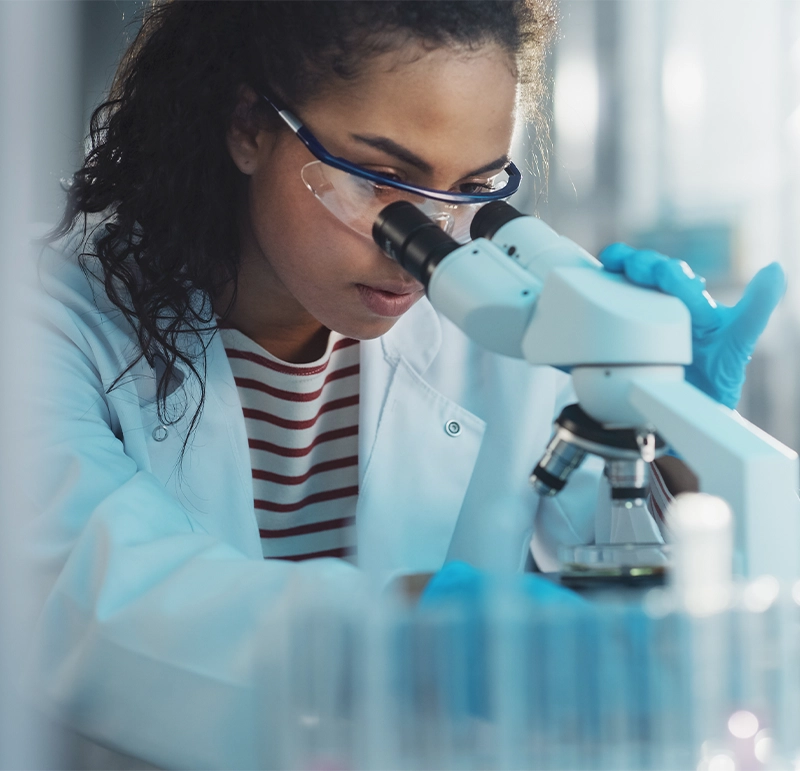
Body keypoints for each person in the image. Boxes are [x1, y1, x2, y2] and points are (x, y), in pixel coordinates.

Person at [20, 1, 785, 767]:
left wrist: (678, 430)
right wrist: (425, 642)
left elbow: (675, 612)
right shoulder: (44, 320)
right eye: (384, 179)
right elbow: (86, 601)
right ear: (250, 126)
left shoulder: (502, 333)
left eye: (472, 188)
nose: (426, 241)